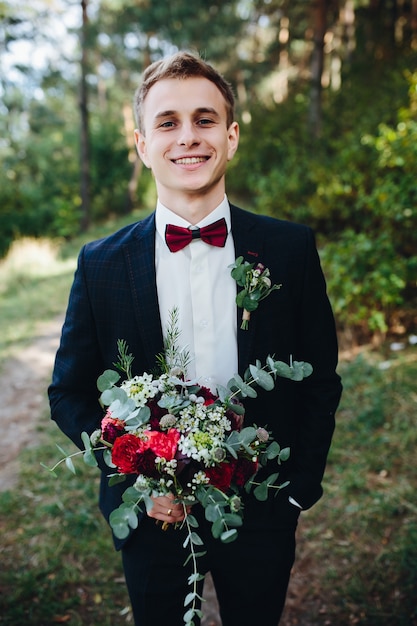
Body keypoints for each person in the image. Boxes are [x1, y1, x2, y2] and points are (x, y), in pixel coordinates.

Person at [49, 51, 342, 626]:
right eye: (168, 122)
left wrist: (297, 490)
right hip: (153, 512)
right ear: (141, 145)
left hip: (261, 506)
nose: (189, 137)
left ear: (231, 137)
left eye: (205, 120)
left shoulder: (288, 250)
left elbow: (319, 379)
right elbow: (69, 393)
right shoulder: (101, 263)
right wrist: (133, 469)